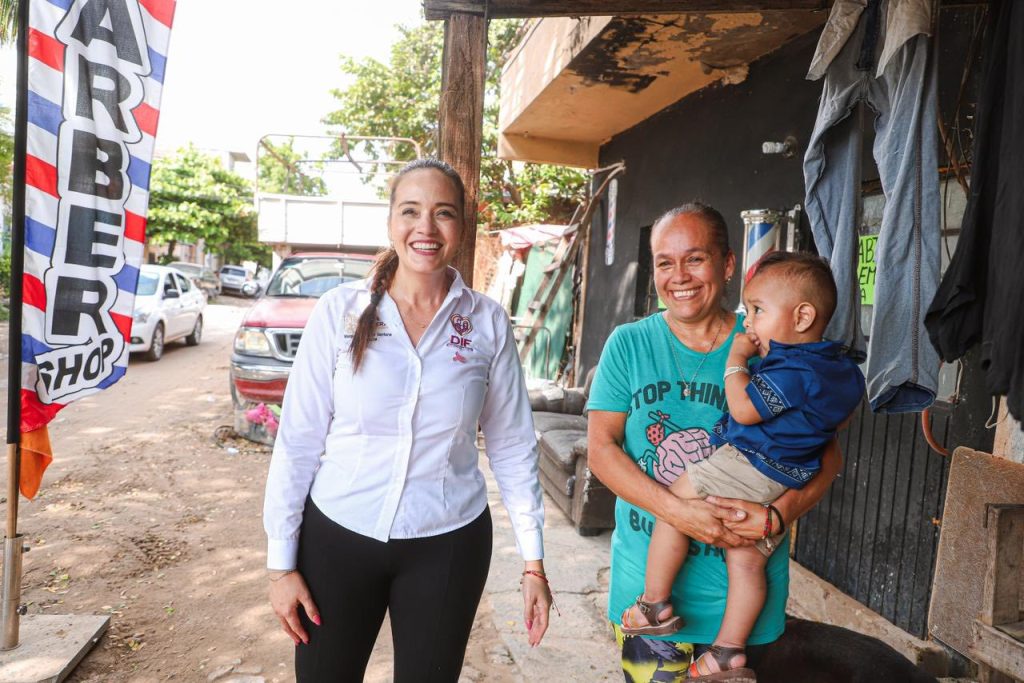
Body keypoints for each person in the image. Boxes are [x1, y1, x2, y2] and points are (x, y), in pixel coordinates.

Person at [263, 158, 552, 682]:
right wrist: (281, 563)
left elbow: (512, 444)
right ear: (391, 221)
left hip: (448, 543)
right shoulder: (339, 311)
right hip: (338, 534)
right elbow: (298, 440)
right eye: (411, 211)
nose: (426, 228)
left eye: (443, 213)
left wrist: (533, 562)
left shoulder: (486, 322)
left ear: (462, 225)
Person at [588, 203, 847, 682]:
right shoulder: (628, 344)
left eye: (695, 258)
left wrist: (777, 516)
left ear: (728, 264)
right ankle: (654, 602)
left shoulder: (771, 343)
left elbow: (828, 459)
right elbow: (602, 451)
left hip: (740, 610)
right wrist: (679, 513)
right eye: (664, 263)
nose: (679, 276)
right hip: (647, 603)